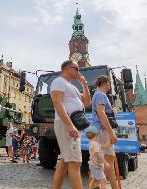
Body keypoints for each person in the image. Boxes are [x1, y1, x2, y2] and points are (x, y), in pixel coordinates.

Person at [50, 60, 91, 189]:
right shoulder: (58, 82)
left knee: (65, 161)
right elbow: (57, 103)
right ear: (68, 68)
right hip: (66, 125)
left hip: (72, 126)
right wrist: (70, 126)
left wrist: (84, 84)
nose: (79, 72)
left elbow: (87, 102)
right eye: (77, 69)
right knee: (75, 161)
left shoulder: (72, 86)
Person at [92, 75, 119, 189]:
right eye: (109, 83)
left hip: (99, 130)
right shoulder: (101, 94)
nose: (110, 86)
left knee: (103, 161)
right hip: (103, 130)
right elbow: (101, 113)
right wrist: (111, 133)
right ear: (106, 82)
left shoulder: (97, 95)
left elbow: (103, 113)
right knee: (109, 160)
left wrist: (113, 111)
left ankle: (96, 186)